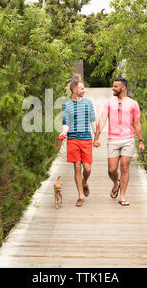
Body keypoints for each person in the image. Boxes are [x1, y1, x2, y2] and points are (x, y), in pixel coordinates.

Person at [93, 77, 144, 206]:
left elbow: (137, 123)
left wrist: (141, 141)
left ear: (123, 88)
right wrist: (97, 137)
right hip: (113, 139)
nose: (113, 88)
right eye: (113, 86)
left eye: (116, 86)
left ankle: (122, 196)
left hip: (128, 139)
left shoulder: (133, 104)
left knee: (124, 167)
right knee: (112, 170)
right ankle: (116, 183)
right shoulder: (109, 102)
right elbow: (102, 120)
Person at [59, 78, 96, 207]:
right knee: (77, 167)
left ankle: (85, 181)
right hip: (73, 139)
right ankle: (80, 196)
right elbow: (66, 124)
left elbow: (92, 121)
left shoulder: (89, 103)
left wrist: (96, 137)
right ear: (75, 90)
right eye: (82, 89)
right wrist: (63, 133)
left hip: (86, 138)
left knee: (87, 168)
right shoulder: (66, 106)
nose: (84, 91)